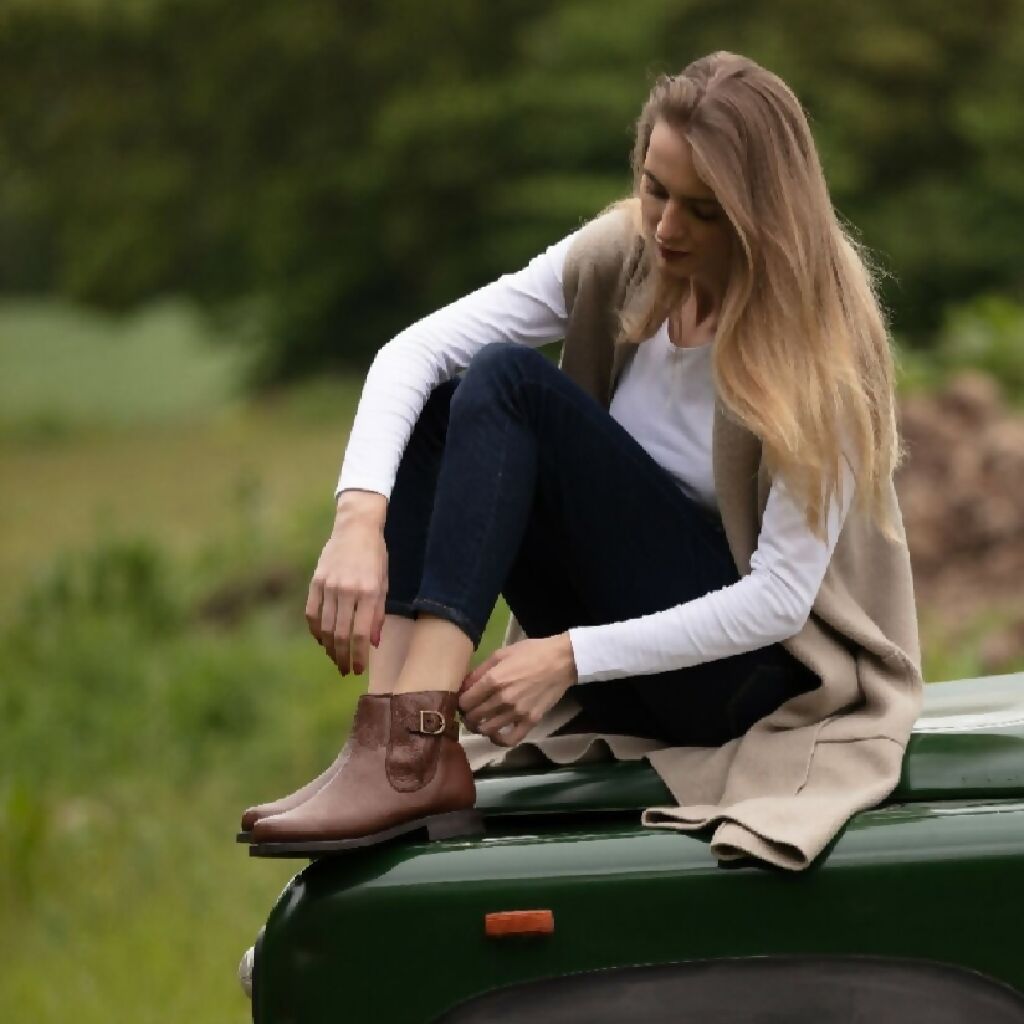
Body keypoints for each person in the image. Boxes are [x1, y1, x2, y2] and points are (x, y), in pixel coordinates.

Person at [240, 51, 921, 867]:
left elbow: (778, 599)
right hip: (626, 641)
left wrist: (565, 657)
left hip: (741, 679)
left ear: (762, 215)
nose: (666, 227)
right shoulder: (623, 254)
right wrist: (358, 518)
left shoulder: (822, 338)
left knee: (508, 384)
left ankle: (413, 746)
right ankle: (391, 741)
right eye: (654, 187)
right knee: (441, 404)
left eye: (703, 211)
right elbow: (411, 352)